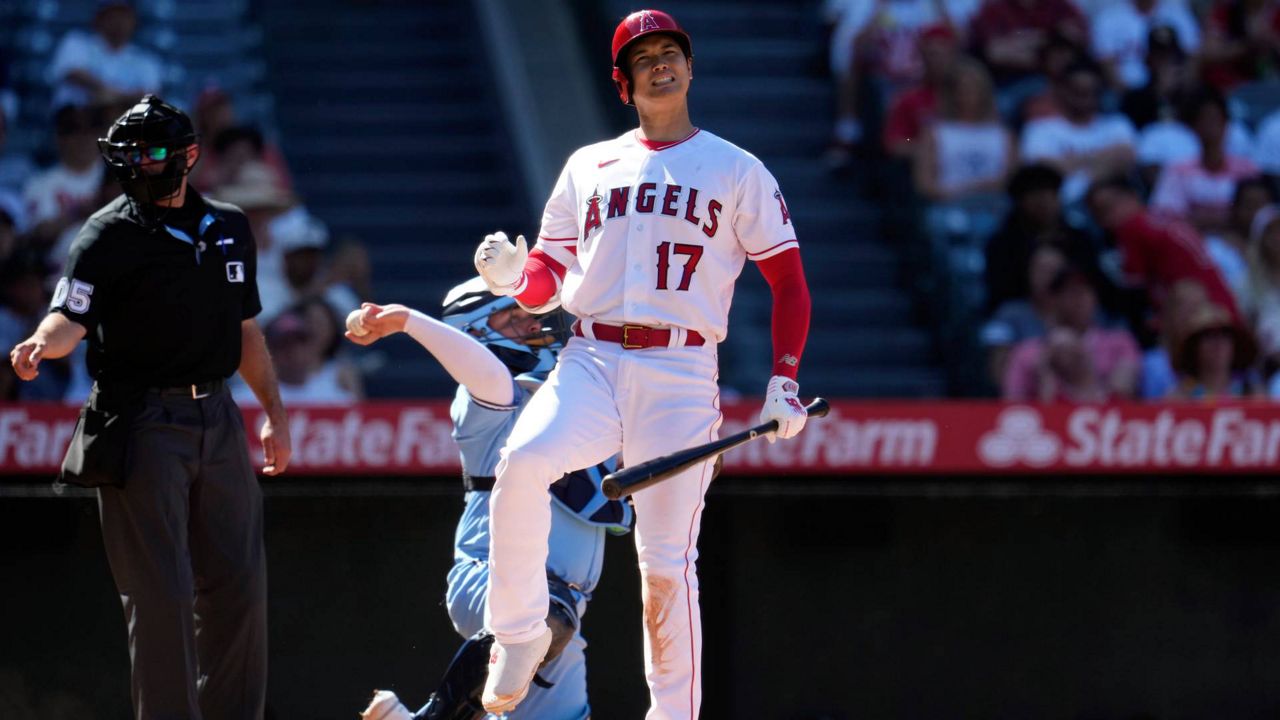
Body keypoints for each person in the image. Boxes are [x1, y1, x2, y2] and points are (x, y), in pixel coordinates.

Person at [471, 10, 812, 716]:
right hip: (592, 354)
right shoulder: (587, 163)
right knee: (524, 463)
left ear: (689, 68)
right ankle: (518, 632)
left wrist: (785, 377)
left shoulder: (735, 167)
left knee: (664, 564)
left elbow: (789, 282)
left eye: (671, 52)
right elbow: (548, 276)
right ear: (623, 83)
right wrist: (513, 278)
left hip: (681, 371)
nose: (661, 63)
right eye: (645, 56)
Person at [6, 95, 291, 719]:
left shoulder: (228, 225)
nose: (139, 163)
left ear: (189, 156)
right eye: (129, 153)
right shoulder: (107, 232)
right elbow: (69, 315)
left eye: (153, 151)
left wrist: (273, 410)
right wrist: (38, 343)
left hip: (217, 416)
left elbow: (246, 331)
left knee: (240, 587)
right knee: (160, 597)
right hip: (140, 420)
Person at [351, 278, 632, 720]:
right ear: (476, 330)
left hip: (566, 611)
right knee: (543, 614)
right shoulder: (489, 397)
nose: (531, 325)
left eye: (529, 315)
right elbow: (484, 371)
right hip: (493, 577)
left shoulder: (576, 400)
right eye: (512, 317)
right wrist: (410, 322)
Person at [1002, 263, 1141, 402]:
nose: (1079, 297)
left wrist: (1084, 370)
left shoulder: (1120, 343)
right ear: (1053, 300)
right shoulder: (1026, 353)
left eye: (1085, 290)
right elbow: (1013, 407)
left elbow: (1124, 396)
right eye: (1069, 291)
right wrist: (1046, 370)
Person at [1019, 59, 1137, 205]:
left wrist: (1076, 173)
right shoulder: (1039, 129)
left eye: (1090, 91)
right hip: (1061, 208)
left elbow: (1124, 159)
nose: (1084, 98)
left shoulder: (1117, 124)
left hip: (1112, 205)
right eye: (1077, 91)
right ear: (1062, 90)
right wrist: (1101, 159)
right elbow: (1043, 172)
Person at [1149, 87, 1259, 238]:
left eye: (1216, 119)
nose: (1211, 126)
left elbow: (1260, 217)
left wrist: (1201, 217)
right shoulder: (1177, 170)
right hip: (1190, 246)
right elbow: (1164, 218)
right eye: (1204, 119)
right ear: (1194, 127)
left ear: (1226, 124)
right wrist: (1226, 219)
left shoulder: (1248, 170)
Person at [46, 0, 164, 110]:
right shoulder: (77, 42)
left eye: (124, 16)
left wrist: (110, 96)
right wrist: (114, 94)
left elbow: (152, 97)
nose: (119, 22)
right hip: (75, 126)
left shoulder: (145, 59)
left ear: (134, 21)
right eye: (113, 15)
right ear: (99, 18)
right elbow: (73, 73)